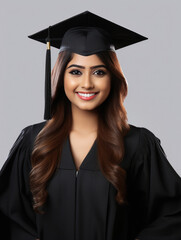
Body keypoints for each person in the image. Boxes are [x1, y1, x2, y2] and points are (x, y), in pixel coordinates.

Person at [0, 10, 181, 240]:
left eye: (99, 72)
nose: (86, 83)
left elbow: (173, 215)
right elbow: (8, 215)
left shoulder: (138, 144)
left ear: (112, 78)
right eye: (75, 71)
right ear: (60, 77)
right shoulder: (33, 140)